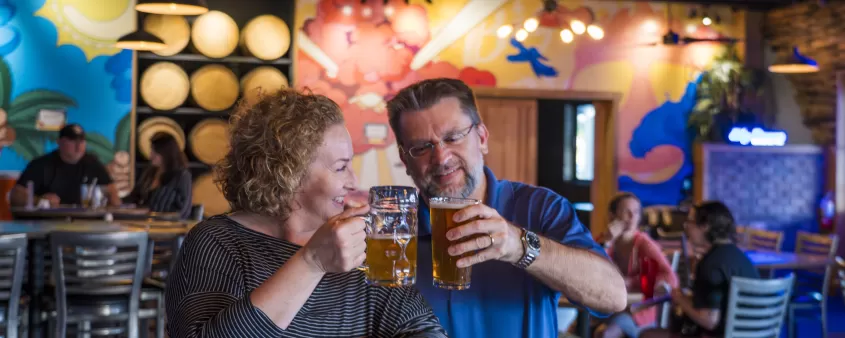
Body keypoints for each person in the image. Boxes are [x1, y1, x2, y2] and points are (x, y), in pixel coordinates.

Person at [165, 89, 446, 338]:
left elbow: (420, 326)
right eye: (340, 167)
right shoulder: (217, 243)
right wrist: (311, 262)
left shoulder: (358, 246)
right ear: (288, 174)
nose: (353, 181)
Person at [385, 78, 627, 338]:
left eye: (453, 137)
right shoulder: (390, 230)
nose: (441, 158)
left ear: (482, 138)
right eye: (422, 147)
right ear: (405, 160)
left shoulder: (540, 208)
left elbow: (613, 296)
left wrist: (520, 245)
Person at [640, 201, 759, 338]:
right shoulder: (739, 256)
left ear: (705, 226)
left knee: (647, 335)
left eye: (690, 222)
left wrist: (679, 298)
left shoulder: (711, 263)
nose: (686, 226)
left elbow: (709, 320)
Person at [595, 192, 678, 338]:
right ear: (612, 216)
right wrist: (607, 242)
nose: (632, 217)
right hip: (604, 307)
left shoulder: (644, 244)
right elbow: (590, 268)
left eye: (636, 212)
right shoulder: (603, 241)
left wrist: (631, 281)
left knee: (605, 333)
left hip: (636, 312)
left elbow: (670, 278)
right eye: (626, 212)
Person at [9, 123, 119, 207]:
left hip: (85, 223)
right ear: (59, 142)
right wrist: (40, 201)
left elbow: (112, 192)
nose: (78, 145)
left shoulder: (93, 164)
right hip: (48, 223)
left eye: (81, 141)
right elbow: (16, 195)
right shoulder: (42, 164)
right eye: (72, 140)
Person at [123, 132, 192, 219]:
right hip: (144, 222)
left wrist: (152, 213)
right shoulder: (150, 172)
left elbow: (184, 210)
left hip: (169, 227)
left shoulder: (182, 176)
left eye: (154, 152)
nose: (151, 155)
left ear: (166, 153)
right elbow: (135, 197)